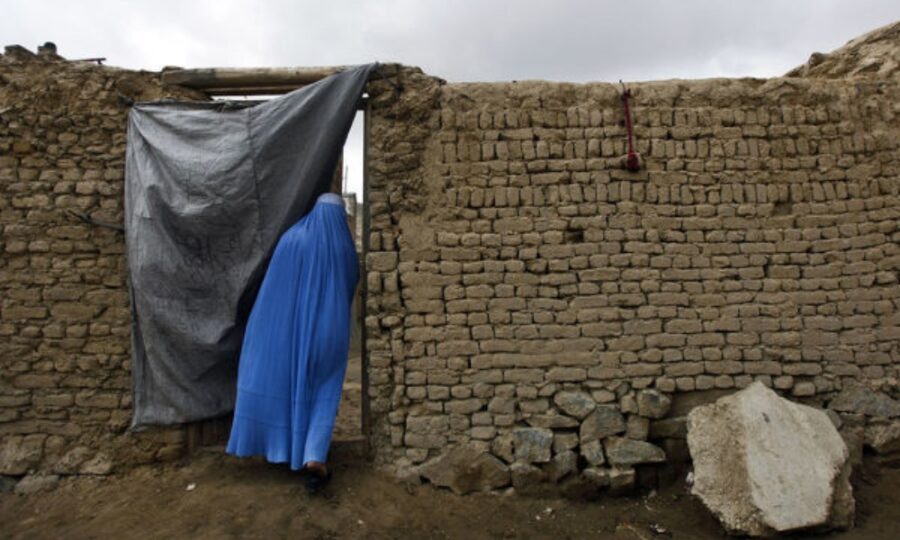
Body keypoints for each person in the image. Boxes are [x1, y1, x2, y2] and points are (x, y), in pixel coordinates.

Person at [226, 191, 358, 493]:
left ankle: (284, 447)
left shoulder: (292, 238)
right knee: (324, 391)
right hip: (331, 331)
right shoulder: (344, 247)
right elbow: (351, 284)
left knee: (291, 384)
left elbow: (273, 291)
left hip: (290, 329)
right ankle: (314, 456)